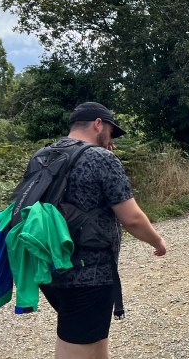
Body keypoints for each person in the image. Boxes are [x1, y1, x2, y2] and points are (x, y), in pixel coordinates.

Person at [32, 102, 167, 359]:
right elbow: (132, 219)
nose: (111, 140)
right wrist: (157, 241)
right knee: (75, 344)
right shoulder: (101, 158)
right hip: (88, 273)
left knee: (93, 340)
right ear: (97, 124)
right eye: (111, 132)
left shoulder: (43, 155)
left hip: (49, 266)